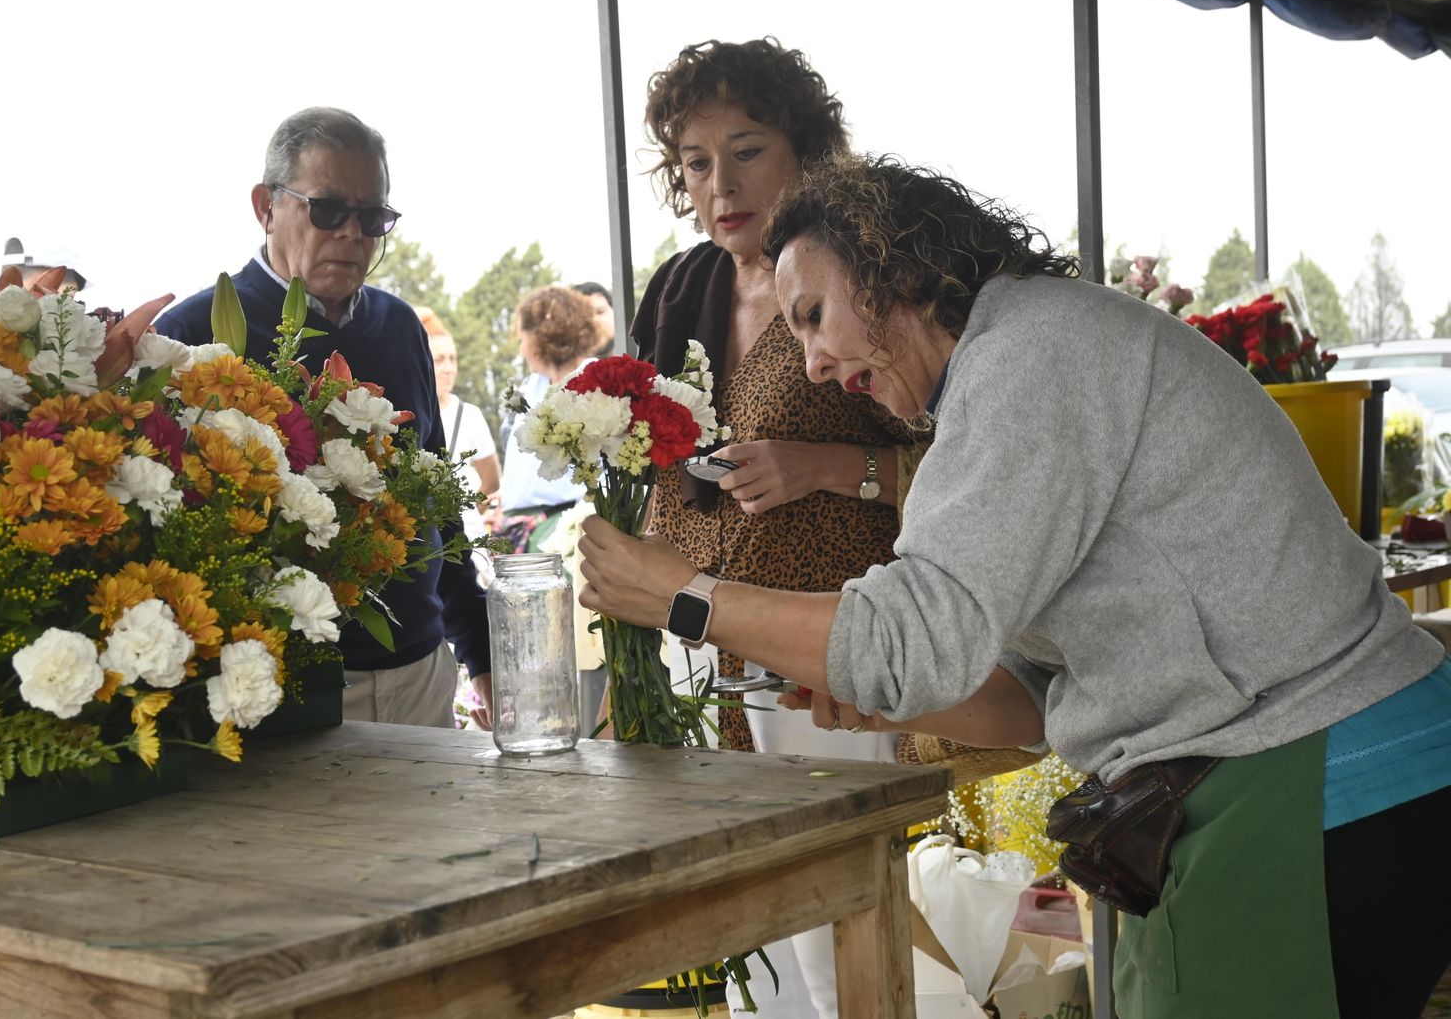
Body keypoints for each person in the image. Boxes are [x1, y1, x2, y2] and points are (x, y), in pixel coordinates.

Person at [580, 152, 1451, 1019]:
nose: (810, 363)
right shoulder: (1014, 361)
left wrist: (684, 599)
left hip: (1314, 781)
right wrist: (896, 707)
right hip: (1293, 777)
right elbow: (1034, 700)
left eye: (813, 316)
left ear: (893, 267)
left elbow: (909, 641)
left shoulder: (1025, 360)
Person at [628, 38, 932, 1018]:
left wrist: (828, 467)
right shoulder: (677, 292)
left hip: (828, 652)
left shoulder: (865, 281)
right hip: (698, 655)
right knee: (752, 936)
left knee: (845, 922)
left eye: (746, 149)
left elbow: (970, 467)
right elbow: (646, 470)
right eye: (695, 162)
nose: (720, 184)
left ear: (808, 150)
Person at [154, 106, 492, 731]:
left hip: (420, 674)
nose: (352, 233)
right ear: (266, 206)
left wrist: (482, 652)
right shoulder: (190, 338)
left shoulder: (400, 327)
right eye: (329, 209)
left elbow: (438, 503)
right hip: (280, 688)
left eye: (373, 217)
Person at [494, 284, 608, 553]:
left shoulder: (593, 381)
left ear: (539, 337)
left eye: (522, 338)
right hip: (521, 530)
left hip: (567, 528)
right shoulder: (533, 387)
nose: (521, 348)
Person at [417, 307, 500, 584]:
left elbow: (491, 480)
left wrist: (468, 512)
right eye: (439, 359)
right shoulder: (413, 413)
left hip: (468, 539)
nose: (449, 367)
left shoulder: (470, 414)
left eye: (452, 358)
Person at [572, 280, 617, 357]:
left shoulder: (640, 360)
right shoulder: (563, 367)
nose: (594, 321)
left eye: (600, 312)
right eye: (584, 316)